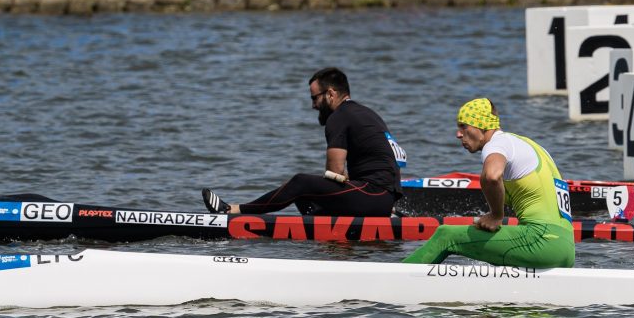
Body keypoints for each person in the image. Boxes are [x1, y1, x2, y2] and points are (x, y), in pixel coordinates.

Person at [202, 67, 404, 216]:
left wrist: (299, 188)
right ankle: (320, 229)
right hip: (382, 199)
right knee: (302, 190)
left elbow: (334, 171)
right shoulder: (367, 113)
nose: (313, 105)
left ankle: (233, 210)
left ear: (331, 94)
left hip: (373, 198)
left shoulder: (340, 117)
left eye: (314, 98)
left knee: (300, 182)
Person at [402, 98, 574, 267]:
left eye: (463, 126)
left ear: (481, 125)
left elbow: (491, 176)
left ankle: (395, 277)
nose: (458, 134)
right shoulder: (531, 146)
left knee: (446, 235)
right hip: (566, 247)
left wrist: (496, 215)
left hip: (542, 242)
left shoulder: (497, 144)